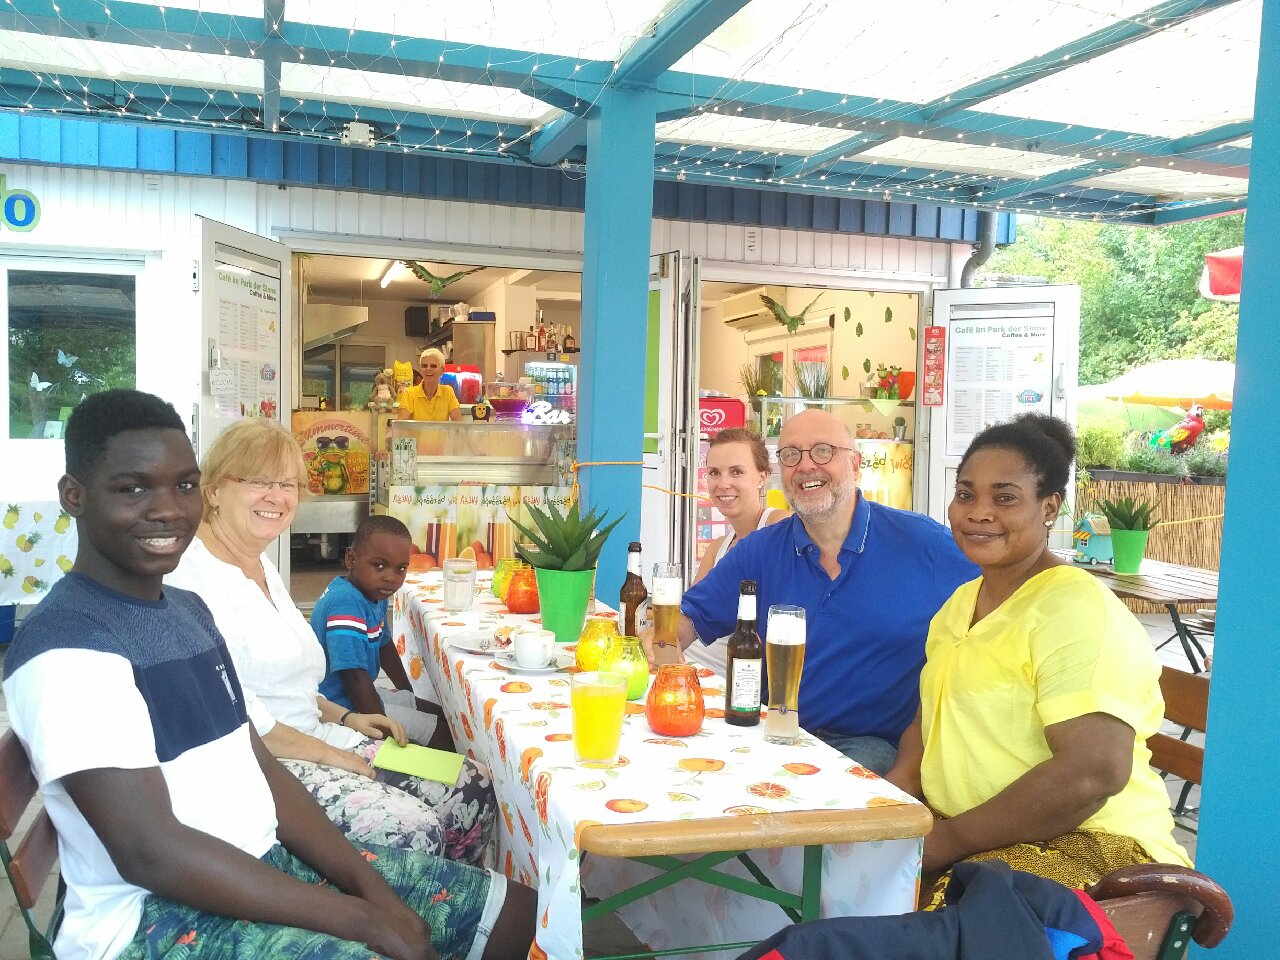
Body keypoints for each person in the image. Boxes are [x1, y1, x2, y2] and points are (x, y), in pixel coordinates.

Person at [2, 389, 536, 960]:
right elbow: (149, 853)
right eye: (133, 488)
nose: (168, 509)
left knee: (515, 911)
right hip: (152, 915)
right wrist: (365, 921)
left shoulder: (185, 611)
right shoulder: (69, 646)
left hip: (259, 857)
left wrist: (377, 896)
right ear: (74, 495)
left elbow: (258, 761)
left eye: (183, 485)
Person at [884, 413, 1190, 908]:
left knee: (927, 917)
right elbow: (928, 722)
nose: (979, 513)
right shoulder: (959, 606)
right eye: (965, 495)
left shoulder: (1074, 608)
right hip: (972, 834)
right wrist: (886, 805)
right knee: (838, 876)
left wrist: (946, 842)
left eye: (1005, 498)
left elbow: (1093, 773)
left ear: (1049, 507)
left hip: (1086, 843)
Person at [166, 418, 495, 864]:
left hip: (318, 735)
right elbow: (240, 720)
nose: (276, 496)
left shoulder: (258, 563)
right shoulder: (192, 579)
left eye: (287, 484)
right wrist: (331, 754)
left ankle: (449, 903)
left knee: (471, 783)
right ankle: (400, 907)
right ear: (214, 490)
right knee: (416, 830)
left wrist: (347, 717)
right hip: (267, 766)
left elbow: (288, 684)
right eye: (258, 481)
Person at [666, 409, 977, 775]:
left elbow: (1005, 588)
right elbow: (683, 621)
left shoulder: (922, 543)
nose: (806, 465)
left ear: (855, 464)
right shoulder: (760, 550)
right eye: (791, 455)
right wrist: (667, 654)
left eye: (823, 451)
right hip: (776, 731)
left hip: (871, 744)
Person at [315, 514, 450, 750]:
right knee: (439, 731)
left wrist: (407, 693)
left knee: (441, 715)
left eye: (401, 569)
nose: (390, 577)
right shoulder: (346, 603)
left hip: (356, 694)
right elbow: (353, 676)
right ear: (351, 559)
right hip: (340, 706)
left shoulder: (372, 593)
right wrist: (383, 730)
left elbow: (384, 645)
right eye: (379, 565)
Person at [685, 428, 790, 674]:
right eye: (714, 473)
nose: (723, 484)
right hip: (693, 667)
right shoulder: (717, 547)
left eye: (736, 472)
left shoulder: (779, 526)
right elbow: (691, 616)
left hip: (733, 679)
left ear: (762, 477)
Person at [397, 348, 462, 422]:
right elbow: (400, 424)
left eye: (433, 366)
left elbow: (459, 424)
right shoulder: (409, 393)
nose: (428, 369)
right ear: (420, 370)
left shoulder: (448, 392)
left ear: (442, 370)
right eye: (424, 366)